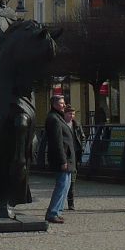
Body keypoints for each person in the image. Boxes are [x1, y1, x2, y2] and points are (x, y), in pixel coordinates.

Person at [43, 94, 77, 224]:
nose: (64, 105)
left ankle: (58, 211)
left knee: (66, 186)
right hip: (62, 159)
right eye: (61, 103)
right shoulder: (53, 119)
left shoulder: (58, 117)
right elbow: (57, 142)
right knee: (61, 185)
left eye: (63, 103)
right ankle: (52, 213)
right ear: (54, 104)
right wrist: (63, 160)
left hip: (67, 158)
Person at [63, 105, 85, 209]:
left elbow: (82, 137)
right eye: (69, 113)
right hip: (66, 155)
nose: (71, 116)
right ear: (65, 114)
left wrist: (82, 148)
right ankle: (63, 202)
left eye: (73, 114)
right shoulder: (61, 125)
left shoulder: (76, 125)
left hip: (75, 154)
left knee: (73, 179)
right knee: (64, 179)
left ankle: (71, 203)